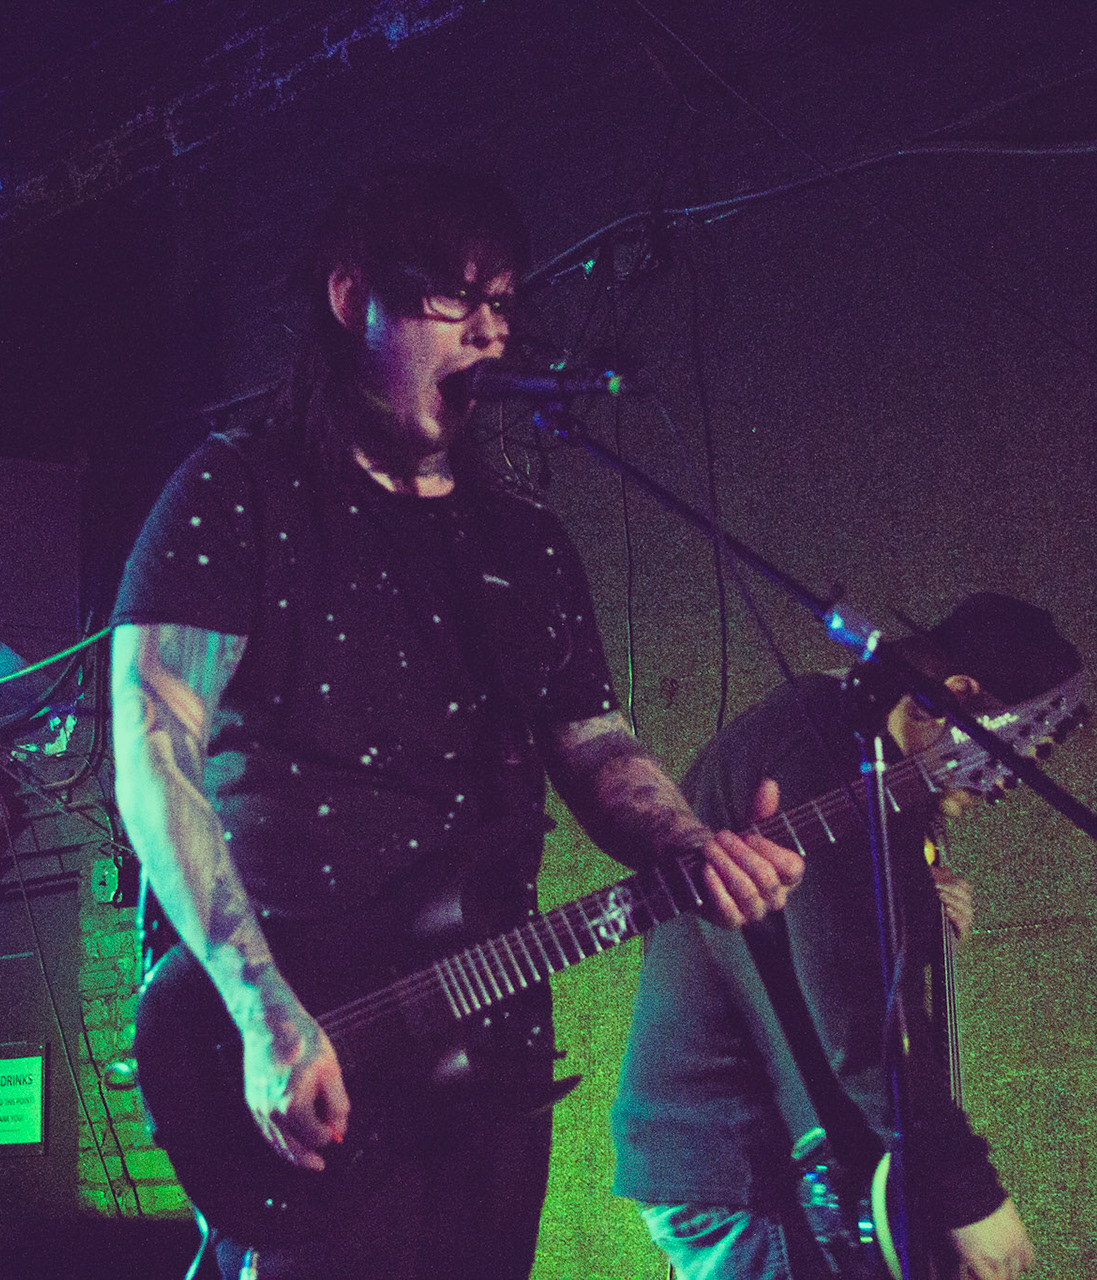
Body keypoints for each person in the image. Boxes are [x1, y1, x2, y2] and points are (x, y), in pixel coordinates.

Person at [108, 165, 805, 1280]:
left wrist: (688, 842)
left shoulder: (522, 538)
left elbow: (595, 742)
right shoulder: (238, 491)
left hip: (489, 1041)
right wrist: (262, 1009)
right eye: (454, 298)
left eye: (503, 303)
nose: (489, 332)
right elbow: (154, 754)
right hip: (306, 1031)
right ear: (352, 297)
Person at [612, 593, 1081, 1280]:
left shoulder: (833, 740)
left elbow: (811, 945)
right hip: (748, 1162)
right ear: (957, 696)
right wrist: (969, 1197)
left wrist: (917, 910)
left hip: (737, 1156)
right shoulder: (824, 748)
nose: (1002, 782)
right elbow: (856, 1007)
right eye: (1010, 752)